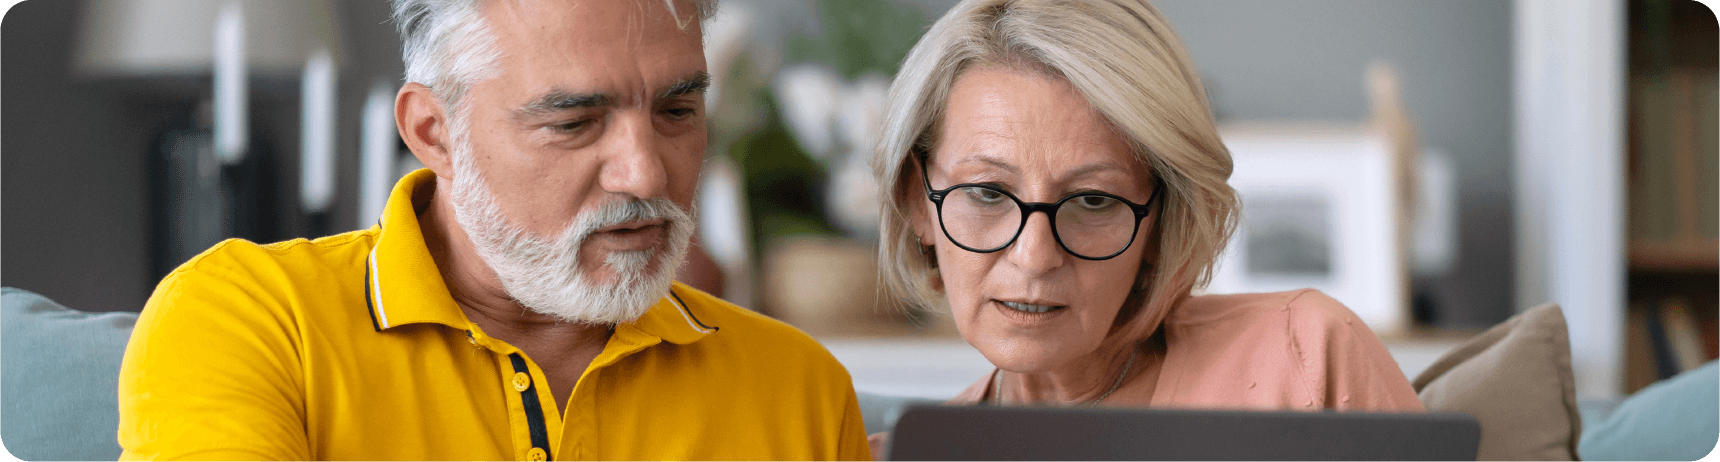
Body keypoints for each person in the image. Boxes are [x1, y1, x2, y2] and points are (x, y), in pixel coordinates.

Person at [117, 0, 871, 460]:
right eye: (573, 123)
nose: (646, 174)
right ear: (434, 132)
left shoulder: (800, 389)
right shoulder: (249, 320)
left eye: (678, 111)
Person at [868, 0, 1422, 452]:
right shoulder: (892, 454)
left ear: (1162, 219)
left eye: (1092, 201)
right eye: (988, 193)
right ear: (918, 200)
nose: (1034, 256)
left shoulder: (1305, 356)